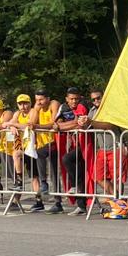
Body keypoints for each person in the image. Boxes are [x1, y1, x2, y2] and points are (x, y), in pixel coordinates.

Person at [56, 86, 90, 215]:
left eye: (76, 99)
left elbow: (77, 123)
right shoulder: (64, 108)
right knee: (78, 172)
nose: (74, 101)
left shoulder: (82, 106)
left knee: (67, 159)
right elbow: (56, 121)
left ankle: (77, 189)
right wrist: (59, 124)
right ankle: (81, 206)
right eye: (71, 99)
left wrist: (60, 126)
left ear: (80, 98)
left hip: (85, 145)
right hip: (75, 144)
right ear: (67, 99)